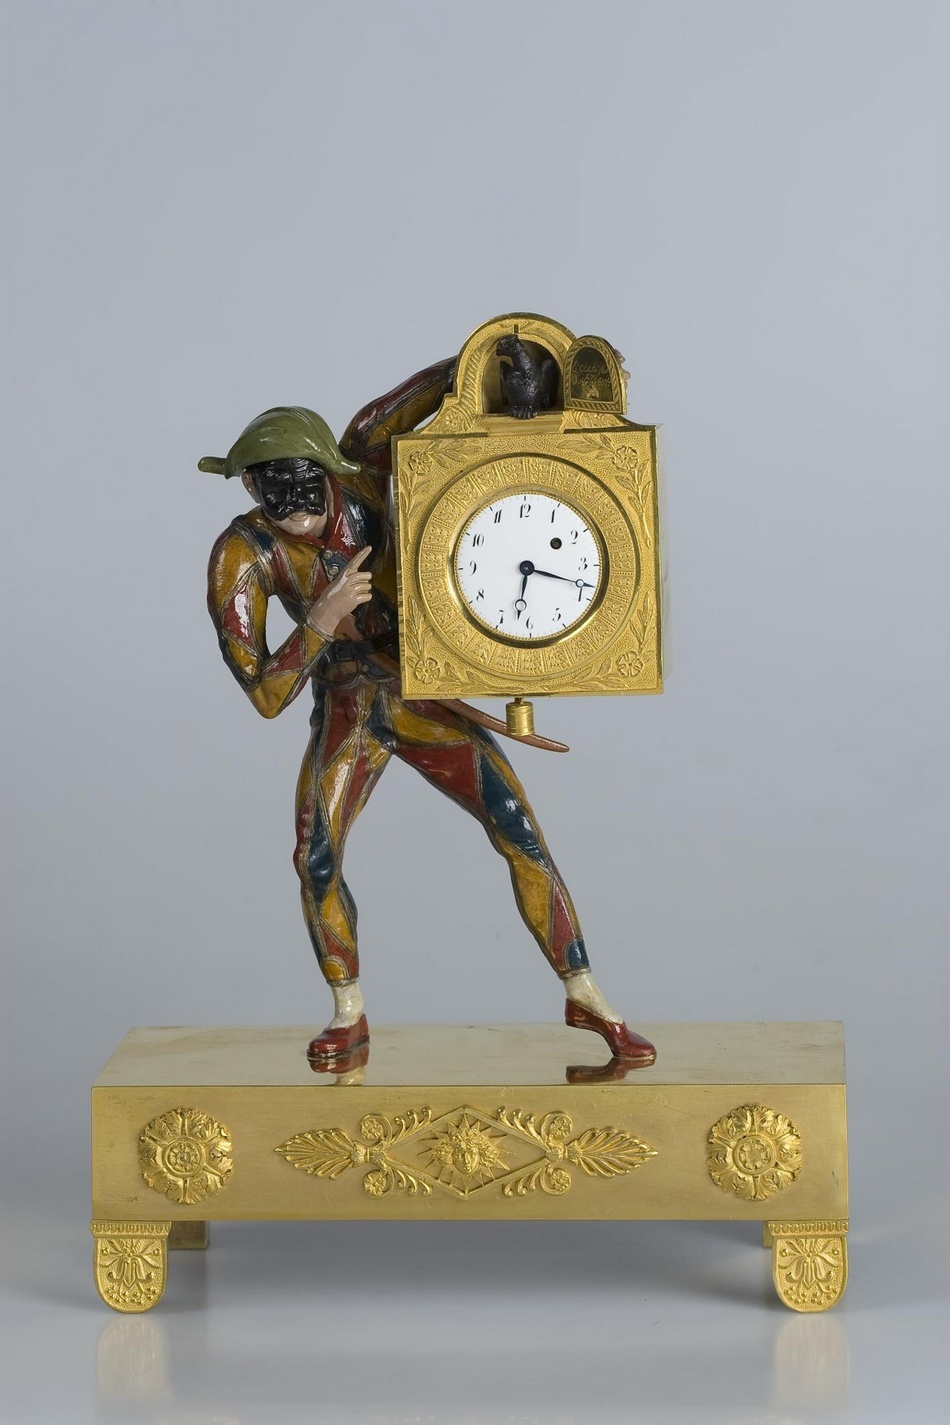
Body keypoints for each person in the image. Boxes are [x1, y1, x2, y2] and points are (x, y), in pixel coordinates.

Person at [201, 359, 656, 1067]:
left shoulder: (366, 458)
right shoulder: (243, 555)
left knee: (518, 828)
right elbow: (264, 694)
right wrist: (320, 620)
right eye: (270, 490)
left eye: (303, 484)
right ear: (251, 490)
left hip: (421, 692)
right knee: (316, 854)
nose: (292, 506)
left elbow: (460, 374)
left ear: (328, 470)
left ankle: (586, 991)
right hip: (349, 705)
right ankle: (347, 1011)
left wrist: (549, 381)